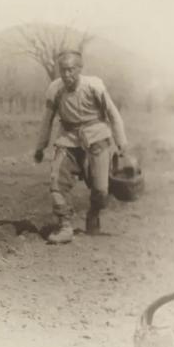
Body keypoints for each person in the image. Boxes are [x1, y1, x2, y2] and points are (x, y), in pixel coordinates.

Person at [34, 50, 128, 244]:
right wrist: (40, 146)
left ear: (80, 69)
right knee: (56, 182)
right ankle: (65, 226)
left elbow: (112, 113)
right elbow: (47, 120)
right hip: (67, 139)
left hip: (97, 138)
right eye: (63, 70)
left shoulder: (94, 86)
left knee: (101, 189)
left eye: (71, 70)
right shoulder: (55, 89)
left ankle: (93, 213)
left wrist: (121, 144)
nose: (66, 75)